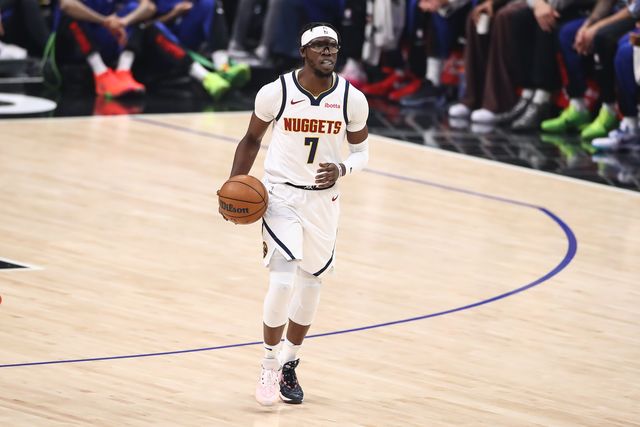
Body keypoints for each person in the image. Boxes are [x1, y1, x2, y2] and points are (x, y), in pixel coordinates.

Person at [222, 22, 370, 406]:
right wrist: (233, 184)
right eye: (320, 45)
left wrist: (342, 169)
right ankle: (268, 363)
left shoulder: (352, 99)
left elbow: (361, 153)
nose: (328, 51)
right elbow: (251, 139)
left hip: (324, 201)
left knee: (310, 283)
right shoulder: (277, 92)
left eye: (333, 46)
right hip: (280, 196)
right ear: (303, 52)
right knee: (282, 280)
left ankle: (290, 361)